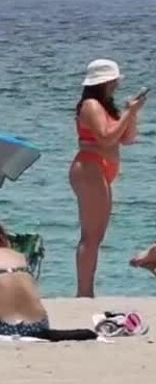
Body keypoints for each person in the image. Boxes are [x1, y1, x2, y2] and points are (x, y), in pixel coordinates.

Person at [70, 58, 146, 297]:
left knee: (96, 235)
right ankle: (84, 292)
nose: (115, 85)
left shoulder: (104, 106)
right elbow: (105, 137)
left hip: (100, 168)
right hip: (90, 166)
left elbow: (128, 138)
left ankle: (86, 290)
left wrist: (131, 114)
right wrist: (130, 112)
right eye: (113, 81)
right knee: (91, 236)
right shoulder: (91, 105)